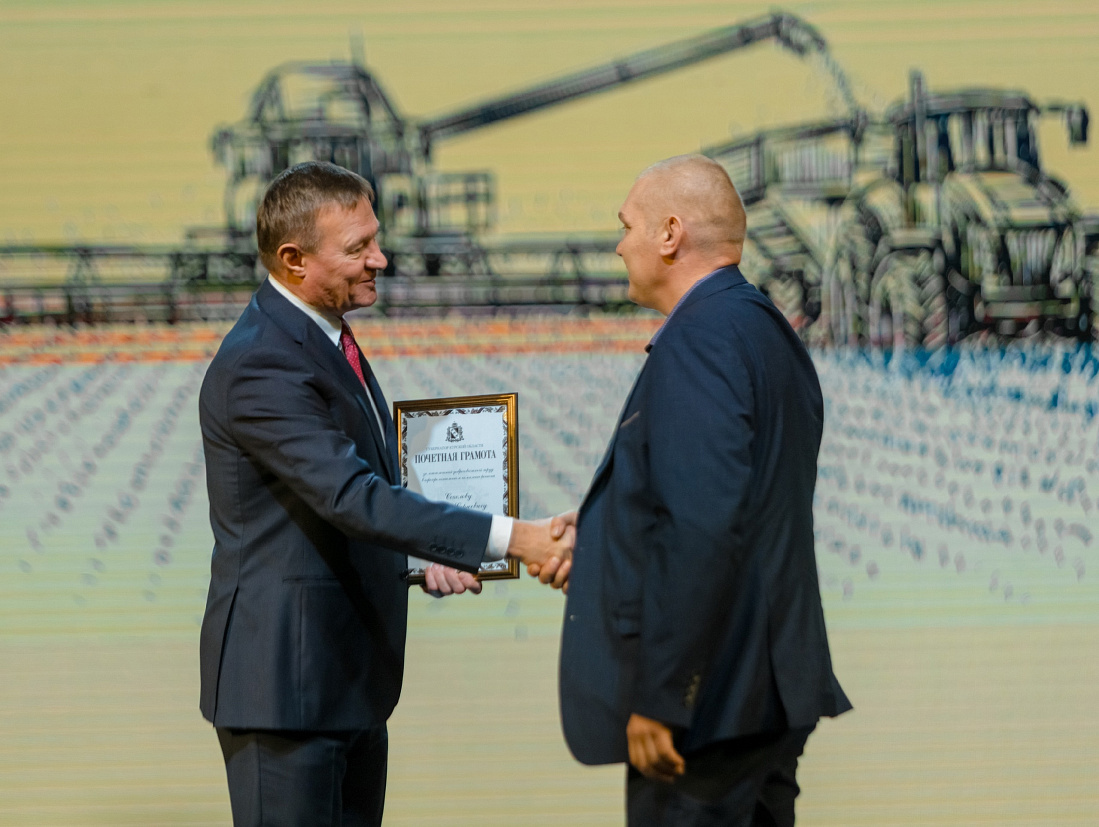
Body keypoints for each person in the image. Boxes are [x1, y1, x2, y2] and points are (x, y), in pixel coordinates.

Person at [198, 161, 573, 827]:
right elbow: (351, 496)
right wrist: (516, 537)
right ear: (293, 259)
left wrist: (423, 557)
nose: (381, 258)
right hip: (286, 694)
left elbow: (331, 508)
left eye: (376, 238)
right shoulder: (263, 362)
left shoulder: (322, 335)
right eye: (358, 248)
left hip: (345, 685)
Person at [546, 155, 851, 826]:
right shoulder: (760, 327)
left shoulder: (699, 340)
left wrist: (664, 696)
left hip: (712, 707)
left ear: (670, 234)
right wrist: (603, 531)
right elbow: (741, 499)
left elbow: (703, 526)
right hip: (763, 692)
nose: (619, 245)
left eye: (627, 226)